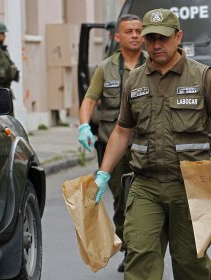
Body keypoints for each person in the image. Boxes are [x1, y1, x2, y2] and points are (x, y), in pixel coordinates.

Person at [94, 8, 211, 280]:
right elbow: (122, 131)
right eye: (150, 39)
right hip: (146, 184)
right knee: (140, 256)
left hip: (191, 186)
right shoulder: (134, 80)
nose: (156, 45)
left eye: (163, 38)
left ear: (178, 36)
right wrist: (104, 172)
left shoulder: (203, 76)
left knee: (190, 262)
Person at [77, 14, 146, 273]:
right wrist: (84, 125)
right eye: (129, 31)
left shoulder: (152, 64)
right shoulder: (105, 68)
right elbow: (89, 101)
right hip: (112, 147)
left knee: (145, 199)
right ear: (118, 37)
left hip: (145, 145)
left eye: (139, 30)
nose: (136, 35)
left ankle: (145, 249)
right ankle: (130, 249)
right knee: (121, 200)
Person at [0, 21, 20, 100]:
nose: (4, 37)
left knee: (7, 112)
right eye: (2, 34)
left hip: (5, 89)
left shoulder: (3, 50)